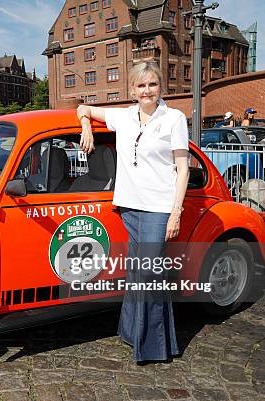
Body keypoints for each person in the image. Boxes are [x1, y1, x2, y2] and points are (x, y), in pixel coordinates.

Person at [77, 61, 189, 364]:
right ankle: (132, 333)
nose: (147, 90)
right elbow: (82, 108)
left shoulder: (174, 118)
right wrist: (86, 125)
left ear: (160, 86)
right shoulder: (123, 116)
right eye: (141, 86)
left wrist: (175, 213)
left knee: (151, 274)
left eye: (152, 84)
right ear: (132, 89)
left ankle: (154, 345)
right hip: (129, 206)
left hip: (159, 207)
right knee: (138, 272)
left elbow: (182, 169)